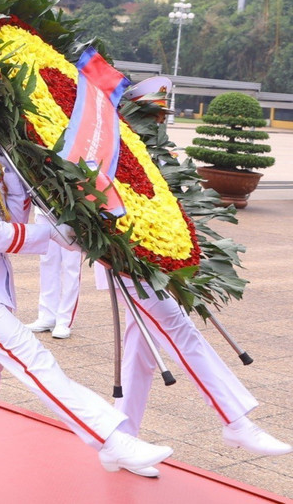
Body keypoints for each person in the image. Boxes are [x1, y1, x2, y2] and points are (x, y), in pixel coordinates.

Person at [0, 61, 173, 504]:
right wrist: (51, 234)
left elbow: (16, 214)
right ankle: (111, 436)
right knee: (35, 361)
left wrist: (43, 184)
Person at [93, 75, 292, 476]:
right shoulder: (111, 148)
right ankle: (236, 420)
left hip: (158, 263)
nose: (159, 121)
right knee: (179, 330)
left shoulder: (153, 151)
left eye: (163, 114)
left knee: (140, 355)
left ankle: (119, 442)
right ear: (130, 112)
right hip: (130, 263)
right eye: (152, 113)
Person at [23, 241, 82, 339]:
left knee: (71, 266)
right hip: (48, 225)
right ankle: (47, 316)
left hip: (72, 226)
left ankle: (64, 320)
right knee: (47, 261)